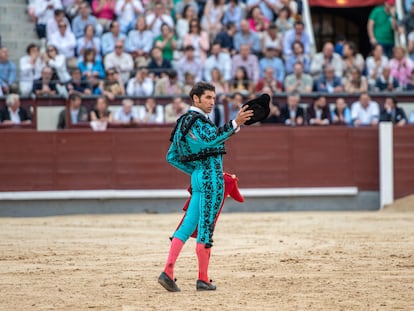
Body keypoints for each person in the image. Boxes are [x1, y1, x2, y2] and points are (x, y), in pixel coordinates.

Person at [158, 81, 253, 292]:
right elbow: (211, 138)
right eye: (208, 97)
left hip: (199, 177)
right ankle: (203, 278)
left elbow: (172, 156)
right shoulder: (199, 122)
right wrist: (235, 123)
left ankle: (168, 271)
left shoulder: (183, 122)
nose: (212, 102)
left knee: (187, 226)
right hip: (211, 179)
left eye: (214, 98)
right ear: (196, 98)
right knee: (206, 228)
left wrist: (195, 172)